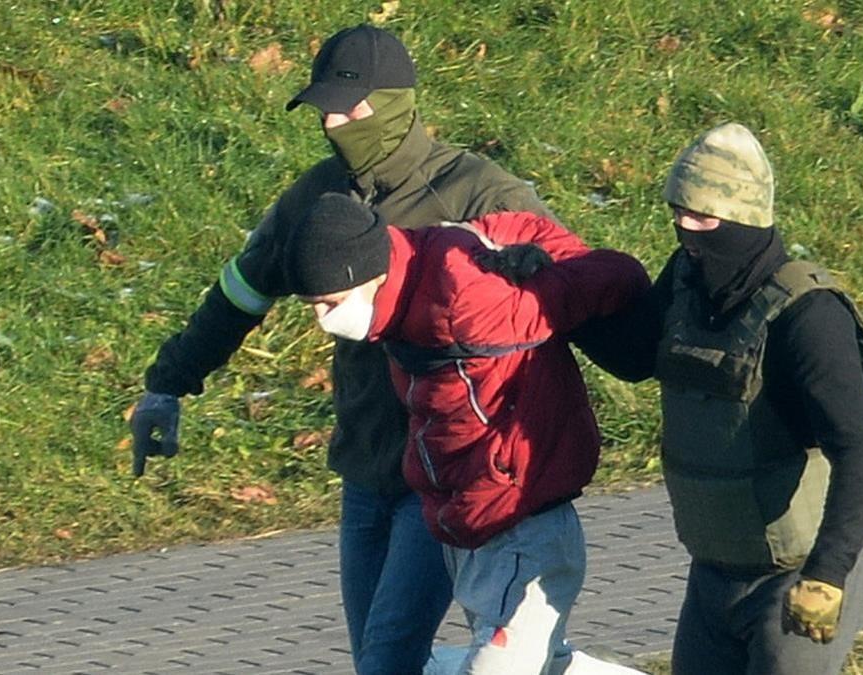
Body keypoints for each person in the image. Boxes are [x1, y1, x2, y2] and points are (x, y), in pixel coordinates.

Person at [129, 24, 554, 675]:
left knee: (387, 656)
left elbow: (575, 290)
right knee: (376, 658)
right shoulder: (317, 198)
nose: (331, 122)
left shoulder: (477, 193)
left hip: (442, 474)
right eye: (323, 109)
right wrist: (168, 381)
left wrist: (536, 269)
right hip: (364, 471)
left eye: (347, 108)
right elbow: (240, 294)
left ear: (394, 104)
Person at [283, 192, 651, 674]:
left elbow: (611, 277)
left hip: (523, 530)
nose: (322, 320)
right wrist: (518, 245)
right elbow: (501, 228)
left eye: (328, 303)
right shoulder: (409, 262)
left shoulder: (467, 301)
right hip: (466, 528)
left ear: (369, 274)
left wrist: (548, 268)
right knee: (542, 665)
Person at [572, 123, 863, 674]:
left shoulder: (810, 318)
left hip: (794, 574)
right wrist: (551, 299)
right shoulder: (689, 277)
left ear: (743, 218)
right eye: (678, 212)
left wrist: (828, 572)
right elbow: (631, 357)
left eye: (703, 217)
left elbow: (862, 458)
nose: (685, 230)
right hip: (713, 570)